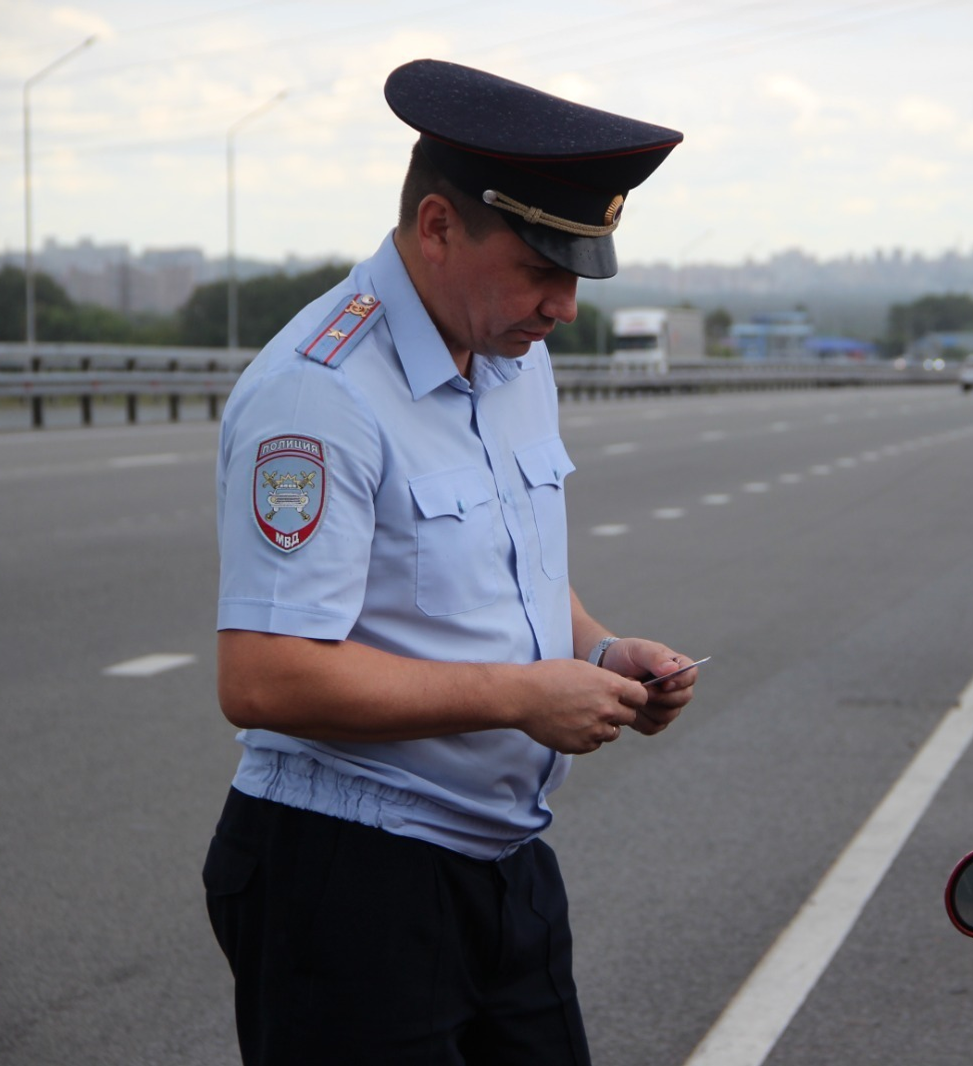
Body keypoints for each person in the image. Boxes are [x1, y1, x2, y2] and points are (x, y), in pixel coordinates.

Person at [201, 59, 699, 1065]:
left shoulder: (512, 354)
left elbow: (503, 569)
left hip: (500, 862)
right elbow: (263, 676)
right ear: (437, 227)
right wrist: (521, 696)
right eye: (541, 268)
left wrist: (601, 654)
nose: (563, 305)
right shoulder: (321, 395)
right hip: (346, 881)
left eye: (579, 274)